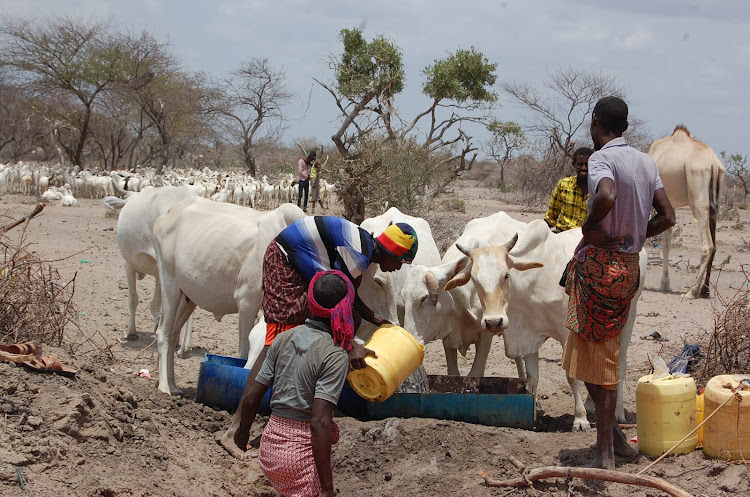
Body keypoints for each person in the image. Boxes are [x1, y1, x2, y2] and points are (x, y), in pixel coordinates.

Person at [221, 217, 419, 458]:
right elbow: (339, 298)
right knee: (277, 341)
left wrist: (377, 320)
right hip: (285, 263)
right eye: (400, 261)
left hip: (294, 261)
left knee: (338, 324)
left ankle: (300, 412)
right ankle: (236, 433)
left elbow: (344, 293)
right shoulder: (359, 256)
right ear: (390, 252)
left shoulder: (363, 246)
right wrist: (349, 347)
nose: (399, 268)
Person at [561, 96, 675, 470]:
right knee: (585, 354)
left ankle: (606, 452)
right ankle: (615, 438)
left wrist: (590, 227)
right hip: (628, 267)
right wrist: (637, 233)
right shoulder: (646, 162)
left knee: (601, 359)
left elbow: (607, 195)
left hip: (600, 268)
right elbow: (668, 216)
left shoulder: (601, 158)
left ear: (595, 122)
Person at [235, 270, 357, 497]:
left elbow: (252, 396)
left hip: (269, 448)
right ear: (345, 309)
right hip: (298, 456)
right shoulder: (334, 354)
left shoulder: (283, 338)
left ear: (310, 305)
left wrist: (242, 435)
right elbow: (319, 422)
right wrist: (327, 490)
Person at [544, 147, 593, 232]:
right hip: (562, 234)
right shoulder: (564, 185)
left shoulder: (598, 189)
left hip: (586, 238)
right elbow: (551, 217)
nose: (584, 168)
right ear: (574, 164)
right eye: (580, 164)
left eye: (587, 164)